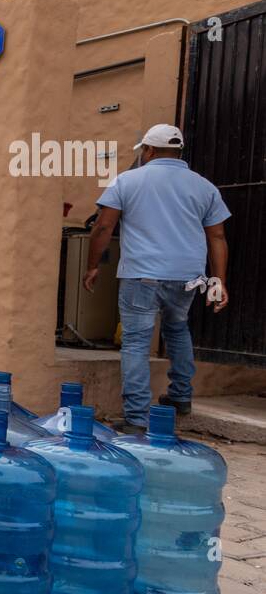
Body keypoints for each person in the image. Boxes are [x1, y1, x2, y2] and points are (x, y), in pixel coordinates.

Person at [84, 123, 229, 432]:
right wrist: (219, 281)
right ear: (178, 151)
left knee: (136, 342)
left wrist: (93, 265)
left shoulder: (128, 180)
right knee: (177, 330)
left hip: (142, 274)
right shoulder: (204, 186)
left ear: (148, 151)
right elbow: (217, 237)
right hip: (188, 277)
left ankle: (137, 418)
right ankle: (180, 397)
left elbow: (103, 227)